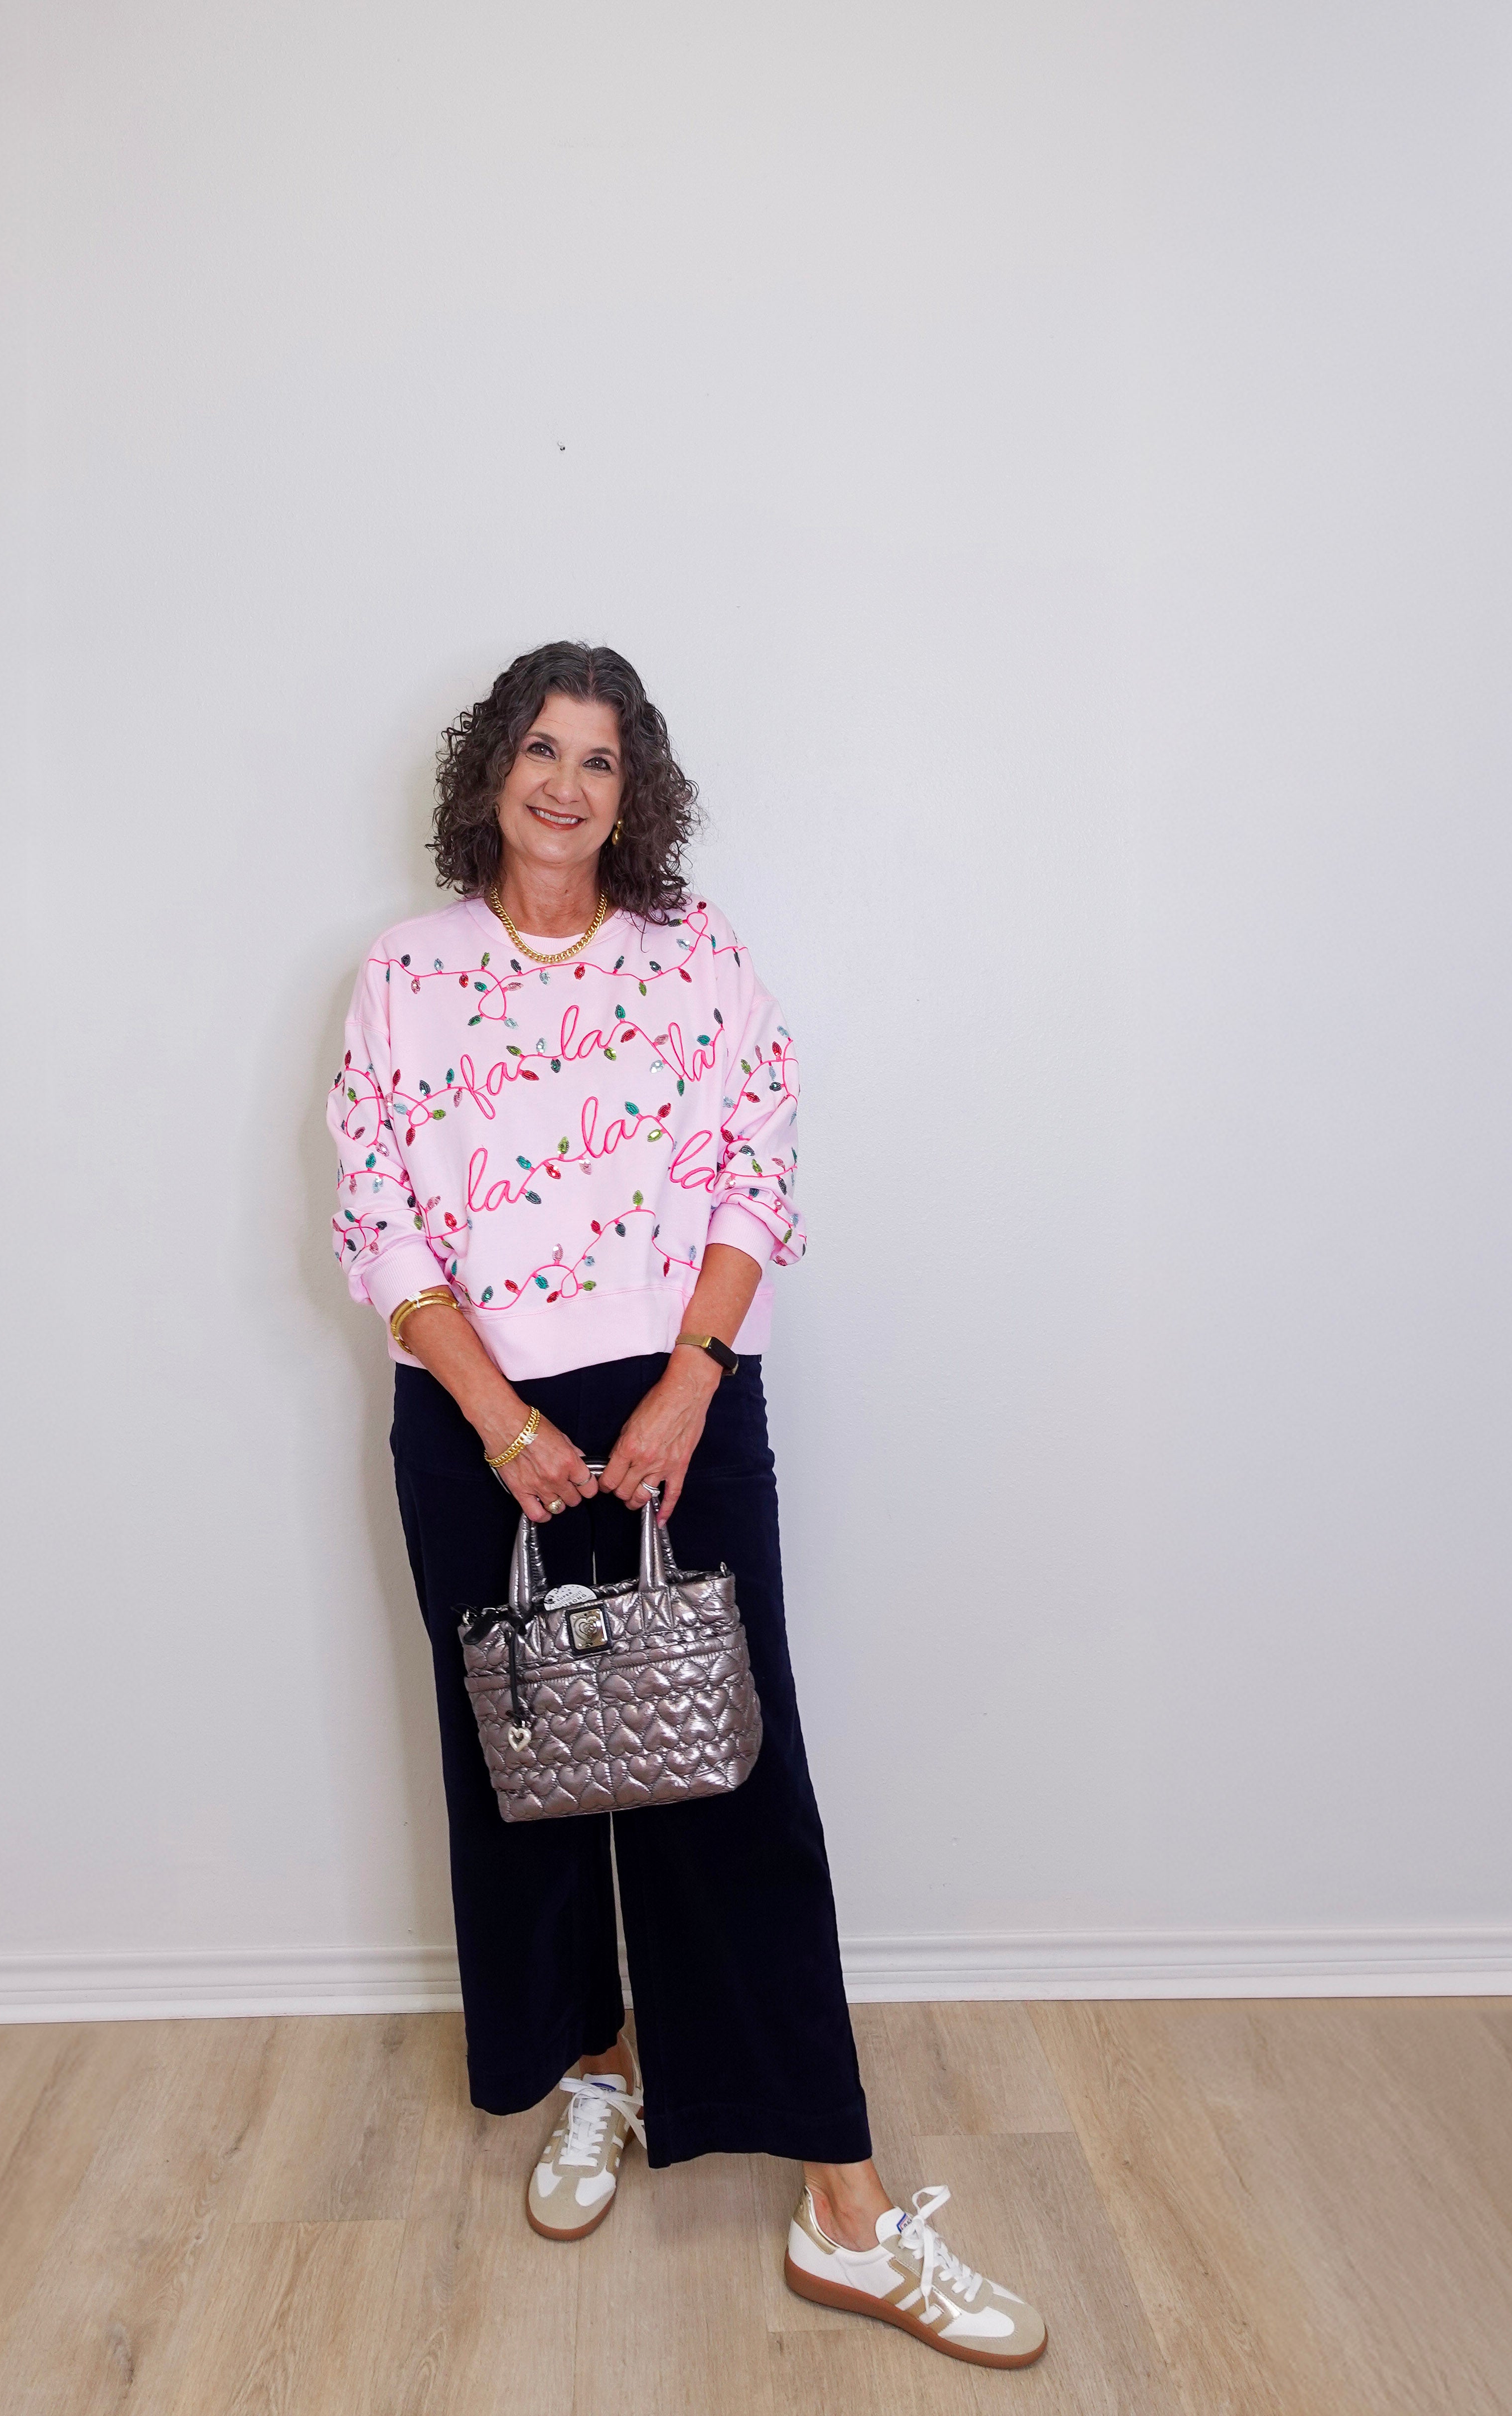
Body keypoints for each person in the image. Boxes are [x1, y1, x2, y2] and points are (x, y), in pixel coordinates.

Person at [328, 640, 1048, 2368]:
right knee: (533, 1777)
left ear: (634, 791)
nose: (567, 784)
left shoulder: (695, 954)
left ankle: (845, 2205)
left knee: (734, 1785)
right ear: (490, 769)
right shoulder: (406, 972)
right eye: (540, 749)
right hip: (479, 1424)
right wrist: (503, 1421)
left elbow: (754, 1160)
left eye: (601, 759)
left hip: (683, 1395)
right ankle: (600, 2072)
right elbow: (381, 1225)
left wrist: (684, 1384)